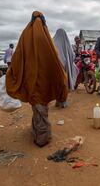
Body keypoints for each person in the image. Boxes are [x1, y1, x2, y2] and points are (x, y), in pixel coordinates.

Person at [6, 11, 68, 147]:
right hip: (45, 81)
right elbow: (55, 60)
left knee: (36, 106)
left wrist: (13, 73)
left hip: (30, 79)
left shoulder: (25, 36)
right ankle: (42, 137)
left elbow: (17, 58)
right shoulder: (46, 38)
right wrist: (60, 77)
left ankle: (40, 136)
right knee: (42, 107)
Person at [53, 28, 79, 107]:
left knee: (57, 85)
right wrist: (67, 63)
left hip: (56, 68)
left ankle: (58, 101)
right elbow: (72, 55)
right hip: (65, 69)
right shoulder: (67, 43)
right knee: (64, 84)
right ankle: (63, 102)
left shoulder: (53, 42)